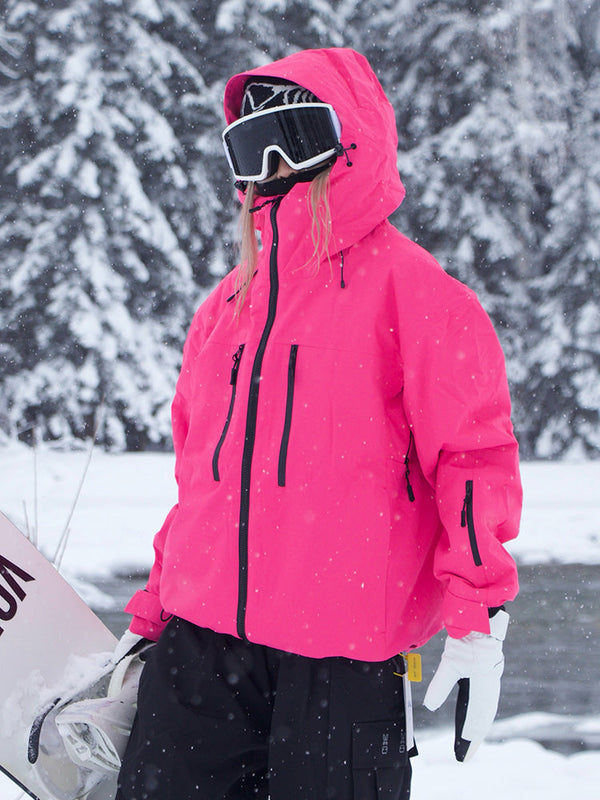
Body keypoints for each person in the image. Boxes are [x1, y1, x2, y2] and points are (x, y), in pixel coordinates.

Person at [114, 47, 522, 800]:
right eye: (253, 148)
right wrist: (155, 609)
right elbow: (201, 485)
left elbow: (472, 461)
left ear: (353, 141)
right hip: (201, 652)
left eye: (297, 139)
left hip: (342, 661)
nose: (274, 168)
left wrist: (478, 610)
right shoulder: (225, 309)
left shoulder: (419, 297)